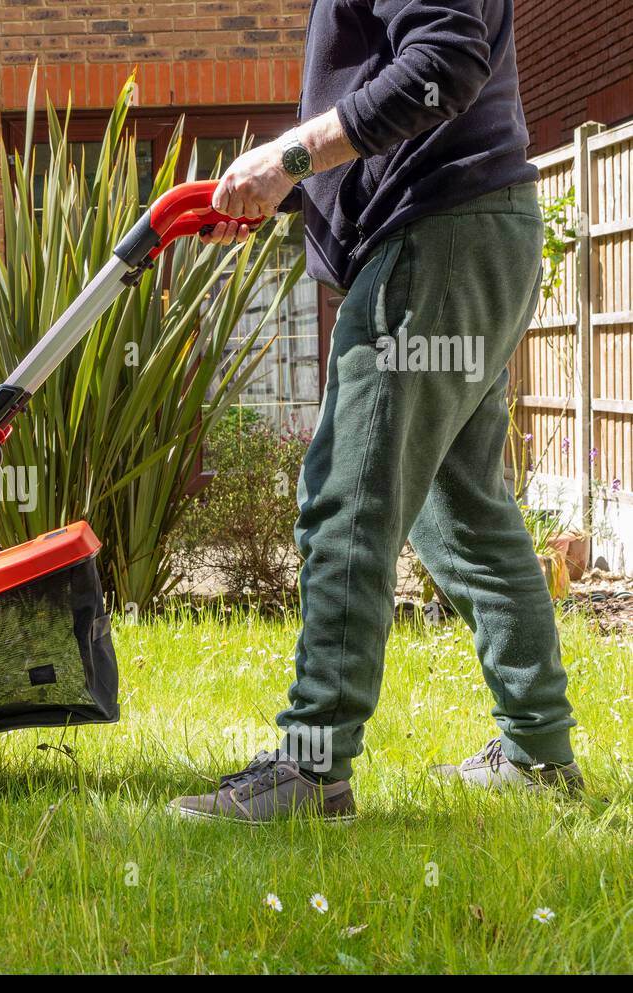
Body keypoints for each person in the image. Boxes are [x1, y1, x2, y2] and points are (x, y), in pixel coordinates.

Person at [169, 0, 582, 823]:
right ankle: (539, 753)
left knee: (347, 495)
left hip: (437, 238)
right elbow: (401, 108)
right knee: (461, 509)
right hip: (473, 230)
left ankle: (313, 766)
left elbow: (442, 66)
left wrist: (288, 155)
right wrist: (284, 189)